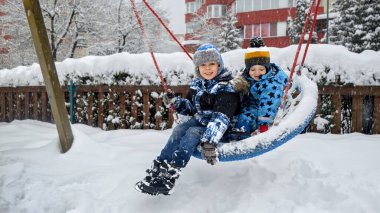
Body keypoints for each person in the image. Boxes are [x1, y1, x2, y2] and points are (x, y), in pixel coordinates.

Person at [135, 43, 241, 196]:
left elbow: (221, 118)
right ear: (198, 68)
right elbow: (191, 108)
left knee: (192, 132)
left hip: (222, 128)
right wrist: (176, 102)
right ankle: (158, 169)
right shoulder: (198, 84)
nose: (208, 68)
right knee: (179, 129)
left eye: (212, 63)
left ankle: (171, 174)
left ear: (219, 65)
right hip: (201, 119)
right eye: (203, 65)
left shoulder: (226, 87)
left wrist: (210, 141)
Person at [231, 37, 288, 139]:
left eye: (261, 69)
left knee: (247, 116)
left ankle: (242, 132)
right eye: (252, 69)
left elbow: (269, 102)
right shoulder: (247, 77)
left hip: (263, 110)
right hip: (250, 105)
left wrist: (264, 123)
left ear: (267, 68)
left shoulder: (271, 84)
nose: (257, 72)